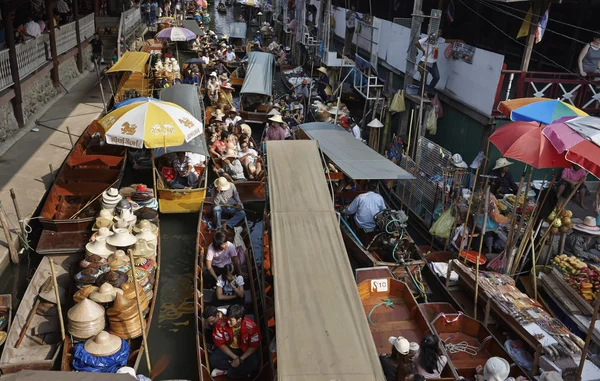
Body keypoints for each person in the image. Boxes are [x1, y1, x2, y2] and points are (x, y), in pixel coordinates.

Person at [210, 305, 261, 378]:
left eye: (231, 320)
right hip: (229, 349)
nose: (228, 322)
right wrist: (234, 357)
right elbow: (220, 344)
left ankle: (228, 371)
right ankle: (238, 371)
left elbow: (254, 346)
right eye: (227, 319)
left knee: (255, 364)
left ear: (239, 320)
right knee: (213, 359)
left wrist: (240, 359)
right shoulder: (220, 324)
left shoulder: (252, 327)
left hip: (244, 350)